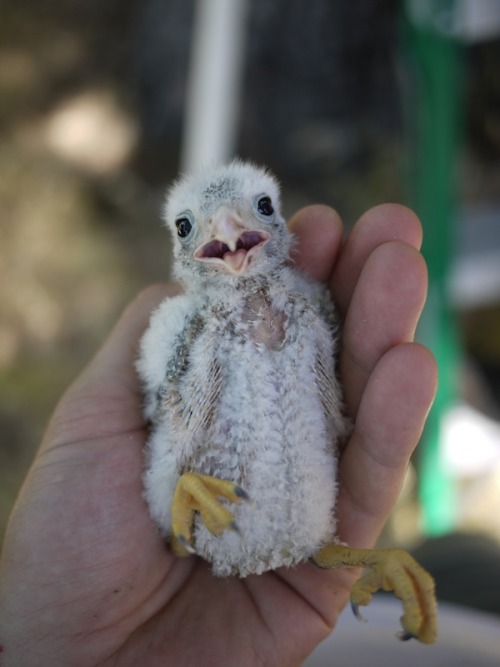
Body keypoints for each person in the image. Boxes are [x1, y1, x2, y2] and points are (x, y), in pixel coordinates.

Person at [0, 204, 437, 666]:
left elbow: (335, 410)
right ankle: (186, 504)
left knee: (315, 534)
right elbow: (172, 424)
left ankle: (376, 561)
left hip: (298, 522)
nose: (228, 227)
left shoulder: (305, 308)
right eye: (192, 225)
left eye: (259, 208)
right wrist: (178, 492)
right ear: (181, 247)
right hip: (200, 515)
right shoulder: (187, 323)